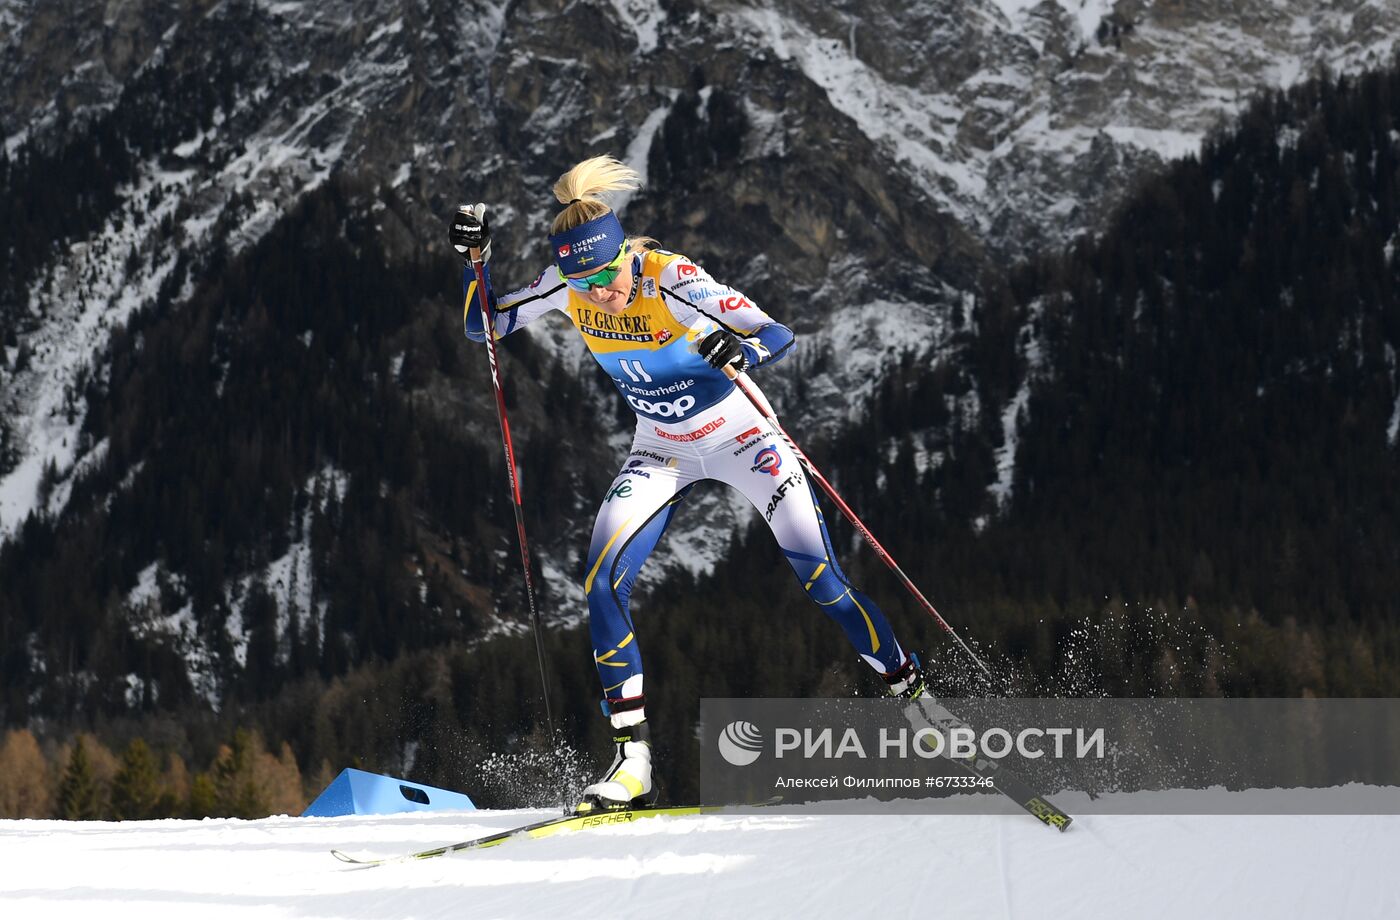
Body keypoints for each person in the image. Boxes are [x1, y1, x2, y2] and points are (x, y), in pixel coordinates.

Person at [450, 155, 929, 811]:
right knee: (601, 582)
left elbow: (773, 331)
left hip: (743, 437)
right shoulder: (566, 282)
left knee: (822, 580)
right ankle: (633, 763)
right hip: (662, 448)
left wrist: (740, 351)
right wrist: (477, 266)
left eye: (607, 278)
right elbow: (488, 326)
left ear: (626, 256)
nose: (598, 295)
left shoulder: (669, 276)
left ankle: (914, 699)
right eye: (584, 284)